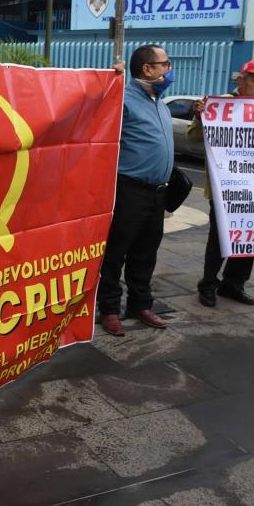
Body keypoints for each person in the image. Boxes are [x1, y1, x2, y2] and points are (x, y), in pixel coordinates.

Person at [97, 44, 175, 336]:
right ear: (148, 69)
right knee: (116, 252)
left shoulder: (159, 102)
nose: (169, 69)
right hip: (129, 190)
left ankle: (140, 305)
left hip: (158, 193)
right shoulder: (121, 98)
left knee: (146, 252)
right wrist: (108, 79)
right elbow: (96, 111)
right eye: (165, 64)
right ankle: (108, 309)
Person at [188, 59, 254, 308]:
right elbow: (193, 138)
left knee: (250, 237)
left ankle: (234, 284)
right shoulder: (219, 105)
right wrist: (199, 117)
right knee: (219, 240)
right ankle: (208, 284)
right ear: (241, 79)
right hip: (225, 190)